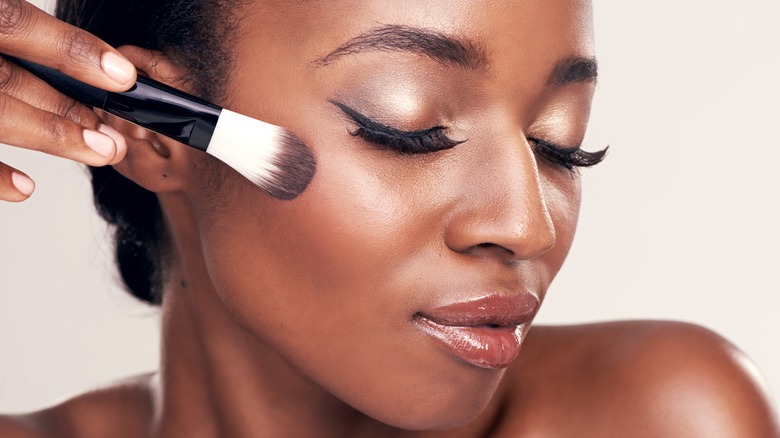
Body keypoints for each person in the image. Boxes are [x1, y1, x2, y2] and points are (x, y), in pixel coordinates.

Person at [1, 0, 778, 436]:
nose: (526, 224)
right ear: (148, 129)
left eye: (560, 143)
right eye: (407, 129)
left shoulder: (659, 417)